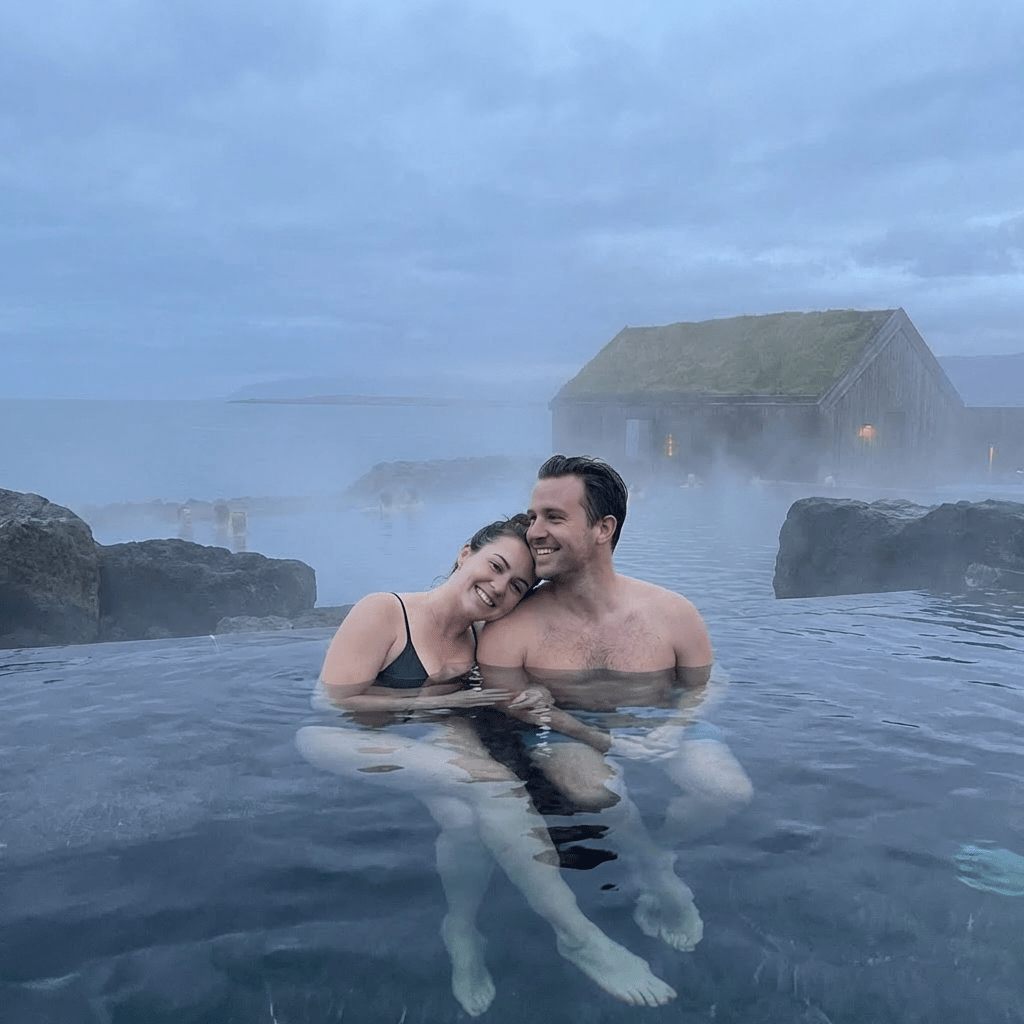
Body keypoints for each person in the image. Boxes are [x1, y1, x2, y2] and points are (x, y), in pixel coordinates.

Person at [295, 515, 676, 1017]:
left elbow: (520, 687)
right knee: (486, 782)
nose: (499, 588)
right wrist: (429, 705)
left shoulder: (484, 637)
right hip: (354, 740)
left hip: (431, 741)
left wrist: (558, 708)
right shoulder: (386, 611)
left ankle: (461, 930)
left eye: (517, 585)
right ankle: (578, 934)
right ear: (465, 553)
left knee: (463, 819)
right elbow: (328, 704)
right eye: (495, 567)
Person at [477, 456, 754, 953]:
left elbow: (705, 685)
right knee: (598, 793)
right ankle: (655, 869)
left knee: (728, 792)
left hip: (665, 721)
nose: (534, 531)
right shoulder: (511, 629)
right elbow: (512, 708)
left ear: (604, 528)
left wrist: (674, 728)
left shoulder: (672, 612)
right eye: (534, 515)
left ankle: (660, 847)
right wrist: (601, 740)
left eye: (553, 518)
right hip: (564, 728)